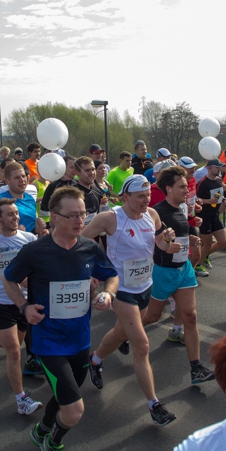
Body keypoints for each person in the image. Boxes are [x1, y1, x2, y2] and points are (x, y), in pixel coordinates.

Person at [2, 186, 117, 451]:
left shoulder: (90, 248)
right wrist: (24, 306)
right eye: (73, 215)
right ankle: (53, 441)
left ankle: (41, 430)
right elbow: (9, 279)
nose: (81, 221)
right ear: (54, 217)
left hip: (80, 340)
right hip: (49, 342)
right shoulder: (35, 251)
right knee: (75, 409)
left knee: (66, 394)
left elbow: (111, 275)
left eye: (84, 214)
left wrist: (107, 293)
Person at [82, 174, 177, 426]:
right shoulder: (111, 218)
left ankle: (95, 360)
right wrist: (93, 270)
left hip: (145, 285)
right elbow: (80, 240)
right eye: (140, 196)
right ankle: (154, 404)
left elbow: (160, 247)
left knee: (120, 332)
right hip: (120, 288)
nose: (146, 200)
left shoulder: (152, 216)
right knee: (142, 345)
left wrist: (167, 239)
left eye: (148, 195)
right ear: (125, 196)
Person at [141, 167, 216, 384]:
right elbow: (149, 244)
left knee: (190, 316)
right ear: (168, 189)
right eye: (182, 186)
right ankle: (127, 333)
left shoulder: (182, 207)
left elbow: (182, 232)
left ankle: (196, 368)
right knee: (153, 316)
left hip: (183, 269)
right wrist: (165, 245)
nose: (187, 189)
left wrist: (191, 239)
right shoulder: (156, 212)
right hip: (164, 270)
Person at [0, 198, 43, 415]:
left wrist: (30, 276)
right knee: (14, 350)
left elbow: (40, 266)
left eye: (16, 213)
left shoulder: (28, 238)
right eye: (10, 214)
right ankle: (21, 399)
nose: (15, 217)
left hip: (22, 302)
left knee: (16, 343)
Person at [194, 158, 226, 276]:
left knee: (223, 241)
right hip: (204, 216)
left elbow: (219, 194)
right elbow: (197, 200)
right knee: (207, 242)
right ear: (209, 168)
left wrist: (224, 201)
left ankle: (203, 257)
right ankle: (198, 265)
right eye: (217, 167)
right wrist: (209, 201)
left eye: (220, 167)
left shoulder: (219, 181)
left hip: (215, 215)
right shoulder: (203, 182)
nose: (219, 169)